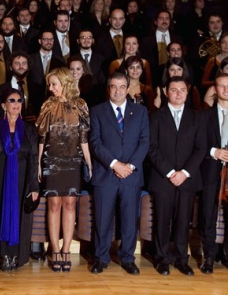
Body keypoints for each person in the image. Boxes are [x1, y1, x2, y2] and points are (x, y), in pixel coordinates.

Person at [89, 71, 149, 275]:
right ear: (109, 88)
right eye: (114, 86)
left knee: (129, 219)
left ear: (128, 88)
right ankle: (101, 258)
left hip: (131, 176)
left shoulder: (140, 112)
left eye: (122, 87)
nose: (118, 91)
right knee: (102, 219)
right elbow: (95, 143)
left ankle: (127, 258)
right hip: (105, 174)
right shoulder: (97, 111)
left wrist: (129, 166)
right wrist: (115, 164)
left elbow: (144, 142)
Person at [149, 76, 205, 276]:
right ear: (166, 92)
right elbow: (152, 148)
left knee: (183, 221)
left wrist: (184, 173)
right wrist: (171, 173)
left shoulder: (196, 117)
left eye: (182, 90)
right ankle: (162, 258)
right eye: (174, 90)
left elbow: (200, 149)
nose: (178, 93)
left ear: (187, 92)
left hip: (188, 179)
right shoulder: (155, 116)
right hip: (163, 178)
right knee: (162, 220)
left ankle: (181, 259)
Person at [36, 67, 91, 272]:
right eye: (50, 84)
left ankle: (66, 250)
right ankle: (55, 249)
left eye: (54, 84)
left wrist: (89, 162)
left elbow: (84, 137)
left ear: (65, 83)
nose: (51, 88)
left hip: (73, 161)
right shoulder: (48, 105)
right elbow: (42, 137)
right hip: (52, 160)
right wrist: (39, 163)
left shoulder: (80, 105)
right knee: (54, 205)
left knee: (69, 205)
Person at [0, 87, 39, 270]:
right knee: (0, 216)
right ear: (3, 105)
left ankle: (18, 256)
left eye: (19, 101)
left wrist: (34, 187)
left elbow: (33, 159)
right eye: (12, 101)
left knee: (21, 218)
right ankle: (4, 255)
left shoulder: (30, 130)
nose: (16, 104)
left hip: (22, 183)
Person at [198, 73, 228, 274]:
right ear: (215, 90)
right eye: (222, 86)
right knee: (208, 213)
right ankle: (208, 255)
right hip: (210, 170)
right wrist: (213, 151)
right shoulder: (204, 115)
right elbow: (198, 143)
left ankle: (225, 254)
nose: (226, 89)